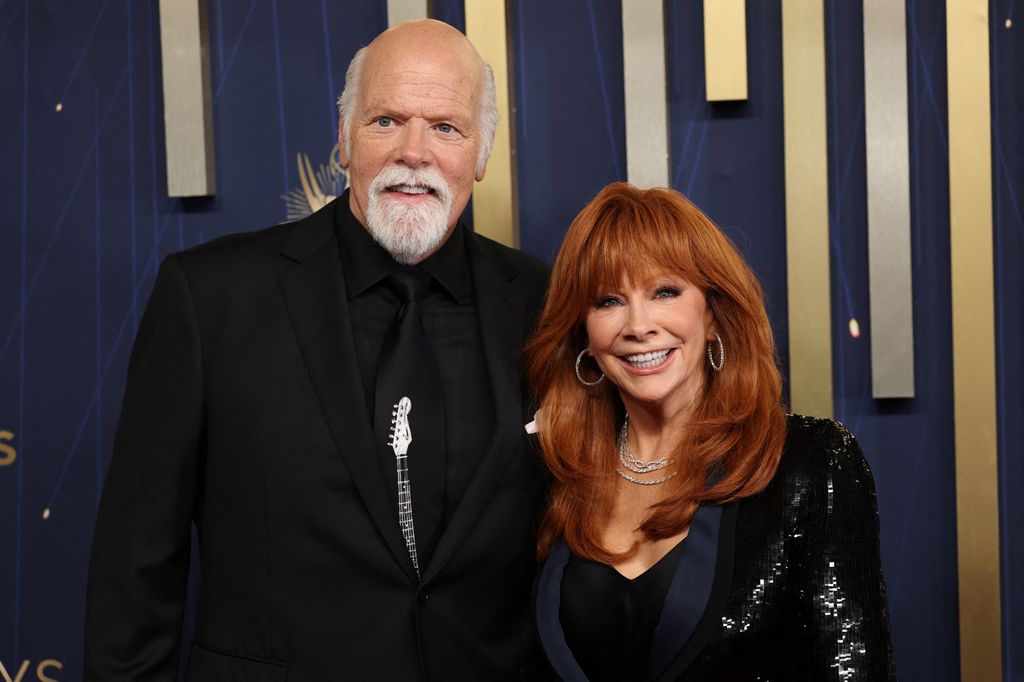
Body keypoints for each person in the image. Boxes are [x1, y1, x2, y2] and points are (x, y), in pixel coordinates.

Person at [85, 20, 550, 681]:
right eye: (386, 121)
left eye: (446, 128)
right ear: (344, 138)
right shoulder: (210, 298)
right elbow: (137, 562)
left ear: (481, 154)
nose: (414, 152)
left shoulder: (544, 303)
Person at [524, 183, 896, 681]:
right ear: (584, 336)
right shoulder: (558, 473)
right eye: (609, 301)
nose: (638, 325)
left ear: (714, 315)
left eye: (664, 292)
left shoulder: (810, 463)